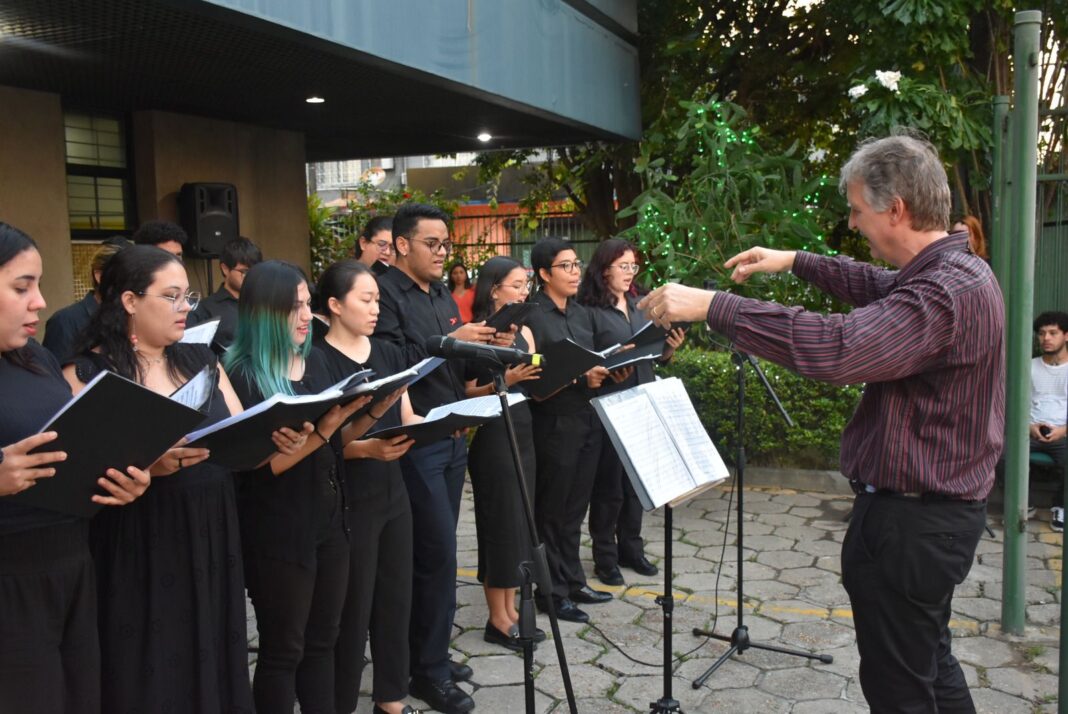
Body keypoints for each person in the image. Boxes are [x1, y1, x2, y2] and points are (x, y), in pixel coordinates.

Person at [640, 133, 1005, 713]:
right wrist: (792, 260)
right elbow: (872, 284)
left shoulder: (946, 290)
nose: (855, 224)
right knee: (927, 663)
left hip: (913, 525)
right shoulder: (949, 271)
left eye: (858, 211)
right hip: (923, 518)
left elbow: (839, 348)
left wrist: (715, 306)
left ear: (897, 209)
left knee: (900, 687)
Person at [62, 244, 274, 713]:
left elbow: (238, 429)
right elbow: (72, 472)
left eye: (188, 297)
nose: (185, 308)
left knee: (214, 642)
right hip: (137, 534)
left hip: (211, 522)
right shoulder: (87, 372)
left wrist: (277, 437)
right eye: (171, 296)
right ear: (130, 301)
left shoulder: (200, 359)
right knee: (149, 656)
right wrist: (148, 466)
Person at [0, 222, 150, 714]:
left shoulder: (36, 358)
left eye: (38, 286)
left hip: (72, 563)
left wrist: (122, 475)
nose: (39, 302)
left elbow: (76, 441)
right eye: (21, 287)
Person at [225, 260, 373, 714]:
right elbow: (257, 469)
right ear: (265, 313)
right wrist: (325, 428)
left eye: (308, 304)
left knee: (323, 641)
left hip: (331, 520)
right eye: (295, 307)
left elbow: (331, 442)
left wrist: (370, 411)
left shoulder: (318, 358)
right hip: (278, 532)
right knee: (283, 649)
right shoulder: (242, 375)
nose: (307, 315)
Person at [374, 203, 503, 714]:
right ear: (402, 244)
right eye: (433, 243)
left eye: (447, 244)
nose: (443, 252)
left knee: (440, 552)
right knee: (433, 556)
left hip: (452, 436)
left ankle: (432, 655)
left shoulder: (443, 292)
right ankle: (425, 672)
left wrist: (489, 344)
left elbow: (455, 358)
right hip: (416, 440)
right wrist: (450, 343)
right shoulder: (383, 293)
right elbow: (390, 359)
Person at [316, 259, 419, 714]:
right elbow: (320, 443)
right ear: (335, 305)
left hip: (393, 490)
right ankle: (341, 701)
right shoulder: (318, 360)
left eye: (378, 299)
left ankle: (391, 698)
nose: (376, 308)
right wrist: (363, 450)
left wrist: (439, 426)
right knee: (352, 609)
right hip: (349, 497)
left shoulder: (389, 352)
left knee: (397, 598)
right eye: (366, 299)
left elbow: (408, 414)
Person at [578, 239, 685, 586]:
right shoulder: (589, 310)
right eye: (623, 266)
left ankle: (631, 548)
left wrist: (668, 349)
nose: (629, 273)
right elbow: (587, 360)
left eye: (633, 267)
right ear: (604, 268)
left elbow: (653, 353)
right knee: (608, 485)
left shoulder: (641, 305)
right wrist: (612, 359)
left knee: (635, 484)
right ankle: (604, 556)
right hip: (610, 404)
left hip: (642, 399)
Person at [526, 237, 613, 624]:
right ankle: (551, 591)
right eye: (566, 266)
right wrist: (581, 376)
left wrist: (611, 370)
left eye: (577, 265)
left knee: (576, 507)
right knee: (553, 510)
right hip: (554, 422)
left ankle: (573, 580)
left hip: (587, 418)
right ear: (544, 273)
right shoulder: (532, 317)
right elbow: (535, 373)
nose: (575, 272)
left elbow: (591, 359)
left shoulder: (581, 314)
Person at [462, 256, 546, 650]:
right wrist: (506, 380)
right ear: (494, 288)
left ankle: (512, 610)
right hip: (494, 432)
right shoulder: (478, 332)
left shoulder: (525, 331)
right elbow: (465, 392)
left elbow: (534, 378)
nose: (523, 291)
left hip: (524, 425)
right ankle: (497, 619)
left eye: (525, 284)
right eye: (515, 284)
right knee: (499, 525)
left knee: (519, 524)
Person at [42, 237, 130, 362]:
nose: (132, 285)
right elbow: (55, 376)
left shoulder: (136, 318)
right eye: (125, 276)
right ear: (99, 275)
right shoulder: (65, 321)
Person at [1029, 311, 1068, 532]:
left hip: (1062, 433)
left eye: (1053, 333)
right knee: (1002, 452)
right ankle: (1024, 503)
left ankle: (1060, 507)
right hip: (1031, 430)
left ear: (1066, 336)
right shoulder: (1030, 366)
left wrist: (1063, 431)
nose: (1046, 338)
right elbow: (1019, 404)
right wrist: (1028, 427)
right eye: (1042, 333)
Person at [187, 236, 263, 350]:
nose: (252, 276)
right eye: (245, 271)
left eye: (256, 271)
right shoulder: (204, 309)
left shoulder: (265, 303)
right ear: (225, 269)